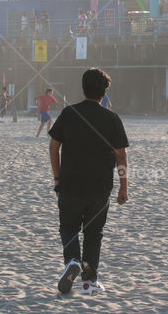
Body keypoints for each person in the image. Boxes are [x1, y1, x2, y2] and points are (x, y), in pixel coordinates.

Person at [49, 67, 129, 295]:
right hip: (99, 186)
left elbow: (54, 146)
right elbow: (121, 155)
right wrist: (124, 187)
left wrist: (57, 177)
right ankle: (89, 281)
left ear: (83, 88)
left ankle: (72, 261)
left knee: (68, 228)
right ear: (104, 92)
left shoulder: (69, 113)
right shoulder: (112, 118)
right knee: (94, 233)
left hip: (70, 183)